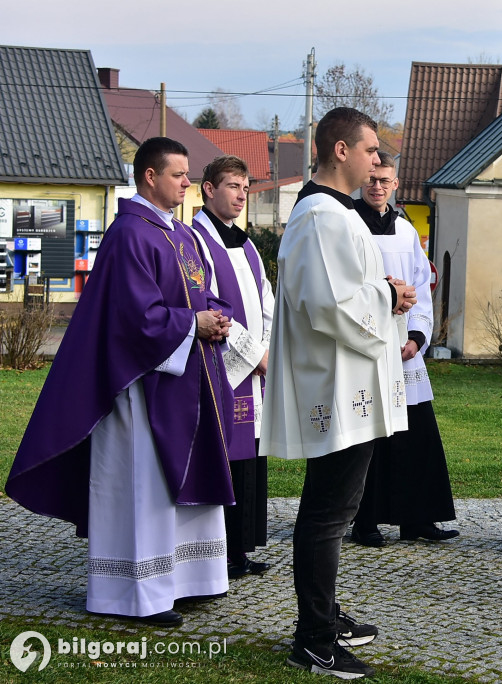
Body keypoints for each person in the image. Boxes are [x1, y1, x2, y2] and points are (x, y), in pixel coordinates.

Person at [5, 137, 235, 627]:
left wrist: (214, 316)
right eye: (178, 175)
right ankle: (137, 592)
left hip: (181, 380)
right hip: (139, 387)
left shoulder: (179, 233)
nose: (187, 182)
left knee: (181, 480)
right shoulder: (131, 233)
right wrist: (195, 323)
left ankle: (186, 580)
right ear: (150, 177)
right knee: (143, 486)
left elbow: (199, 292)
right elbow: (134, 318)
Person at [259, 107, 416, 679]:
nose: (379, 159)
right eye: (371, 149)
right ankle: (314, 636)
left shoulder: (336, 213)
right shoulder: (322, 216)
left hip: (350, 377)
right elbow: (326, 303)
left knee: (335, 508)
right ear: (341, 151)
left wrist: (385, 290)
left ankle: (324, 615)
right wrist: (388, 297)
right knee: (328, 512)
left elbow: (347, 289)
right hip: (336, 380)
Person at [348, 151, 459, 547]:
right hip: (364, 345)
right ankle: (365, 520)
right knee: (369, 434)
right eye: (372, 179)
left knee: (415, 435)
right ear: (362, 179)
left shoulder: (405, 229)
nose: (378, 186)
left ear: (396, 184)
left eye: (385, 181)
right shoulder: (348, 223)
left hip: (403, 350)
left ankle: (417, 518)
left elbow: (421, 289)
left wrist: (416, 338)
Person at [191, 155, 275, 579]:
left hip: (255, 371)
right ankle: (215, 553)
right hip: (223, 370)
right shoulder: (196, 241)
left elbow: (266, 301)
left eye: (245, 187)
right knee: (224, 456)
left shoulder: (247, 243)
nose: (241, 195)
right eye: (232, 186)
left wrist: (270, 351)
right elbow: (209, 308)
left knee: (249, 461)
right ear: (208, 188)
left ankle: (240, 549)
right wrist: (253, 355)